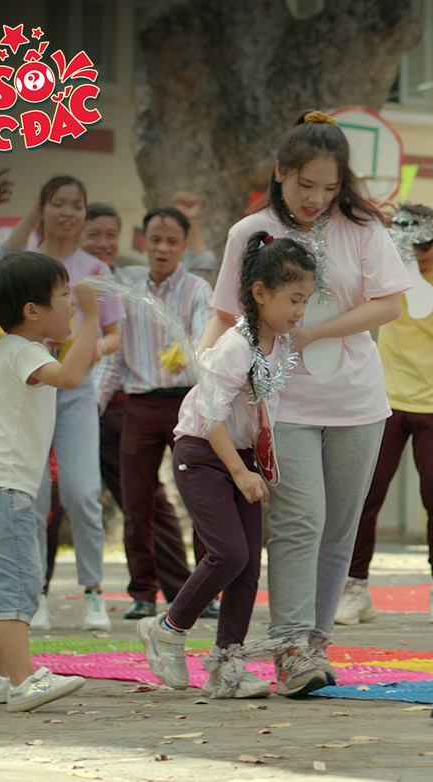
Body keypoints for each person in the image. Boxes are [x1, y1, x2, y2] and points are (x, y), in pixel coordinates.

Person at [199, 110, 409, 697]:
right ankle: (289, 648)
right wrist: (204, 385)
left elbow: (390, 304)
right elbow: (223, 315)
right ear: (280, 173)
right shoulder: (250, 232)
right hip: (280, 401)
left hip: (357, 401)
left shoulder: (362, 228)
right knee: (298, 521)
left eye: (330, 187)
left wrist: (318, 331)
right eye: (304, 185)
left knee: (339, 528)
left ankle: (314, 645)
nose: (317, 198)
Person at [139, 233, 314, 699]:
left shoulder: (277, 343)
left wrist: (254, 463)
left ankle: (227, 665)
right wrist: (238, 472)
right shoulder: (238, 345)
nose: (301, 310)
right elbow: (213, 416)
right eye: (293, 298)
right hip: (202, 453)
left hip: (242, 458)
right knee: (229, 554)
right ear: (261, 293)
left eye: (305, 300)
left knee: (248, 567)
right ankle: (169, 628)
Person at [338, 203, 433, 626]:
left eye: (426, 256)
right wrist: (374, 226)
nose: (419, 265)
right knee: (365, 493)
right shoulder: (390, 253)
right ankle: (355, 588)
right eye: (413, 255)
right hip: (385, 394)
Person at [0, 251, 97, 711]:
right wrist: (95, 315)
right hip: (1, 490)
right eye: (63, 296)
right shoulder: (25, 352)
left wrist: (82, 323)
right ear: (32, 311)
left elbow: (71, 357)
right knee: (15, 583)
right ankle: (24, 680)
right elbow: (73, 375)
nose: (72, 303)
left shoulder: (11, 349)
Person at [19, 176, 125, 632]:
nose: (68, 212)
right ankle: (33, 595)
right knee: (34, 495)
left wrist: (94, 347)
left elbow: (115, 334)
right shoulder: (24, 261)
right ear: (43, 208)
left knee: (82, 494)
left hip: (76, 394)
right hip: (29, 391)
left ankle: (93, 594)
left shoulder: (95, 270)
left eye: (76, 205)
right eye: (58, 203)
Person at [98, 207, 214, 620]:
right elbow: (115, 359)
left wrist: (191, 352)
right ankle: (142, 593)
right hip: (141, 404)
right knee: (137, 503)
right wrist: (94, 402)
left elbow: (205, 339)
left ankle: (208, 593)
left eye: (171, 241)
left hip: (187, 402)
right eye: (155, 240)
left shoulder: (198, 289)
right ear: (143, 242)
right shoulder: (128, 290)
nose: (162, 248)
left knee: (203, 500)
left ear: (184, 245)